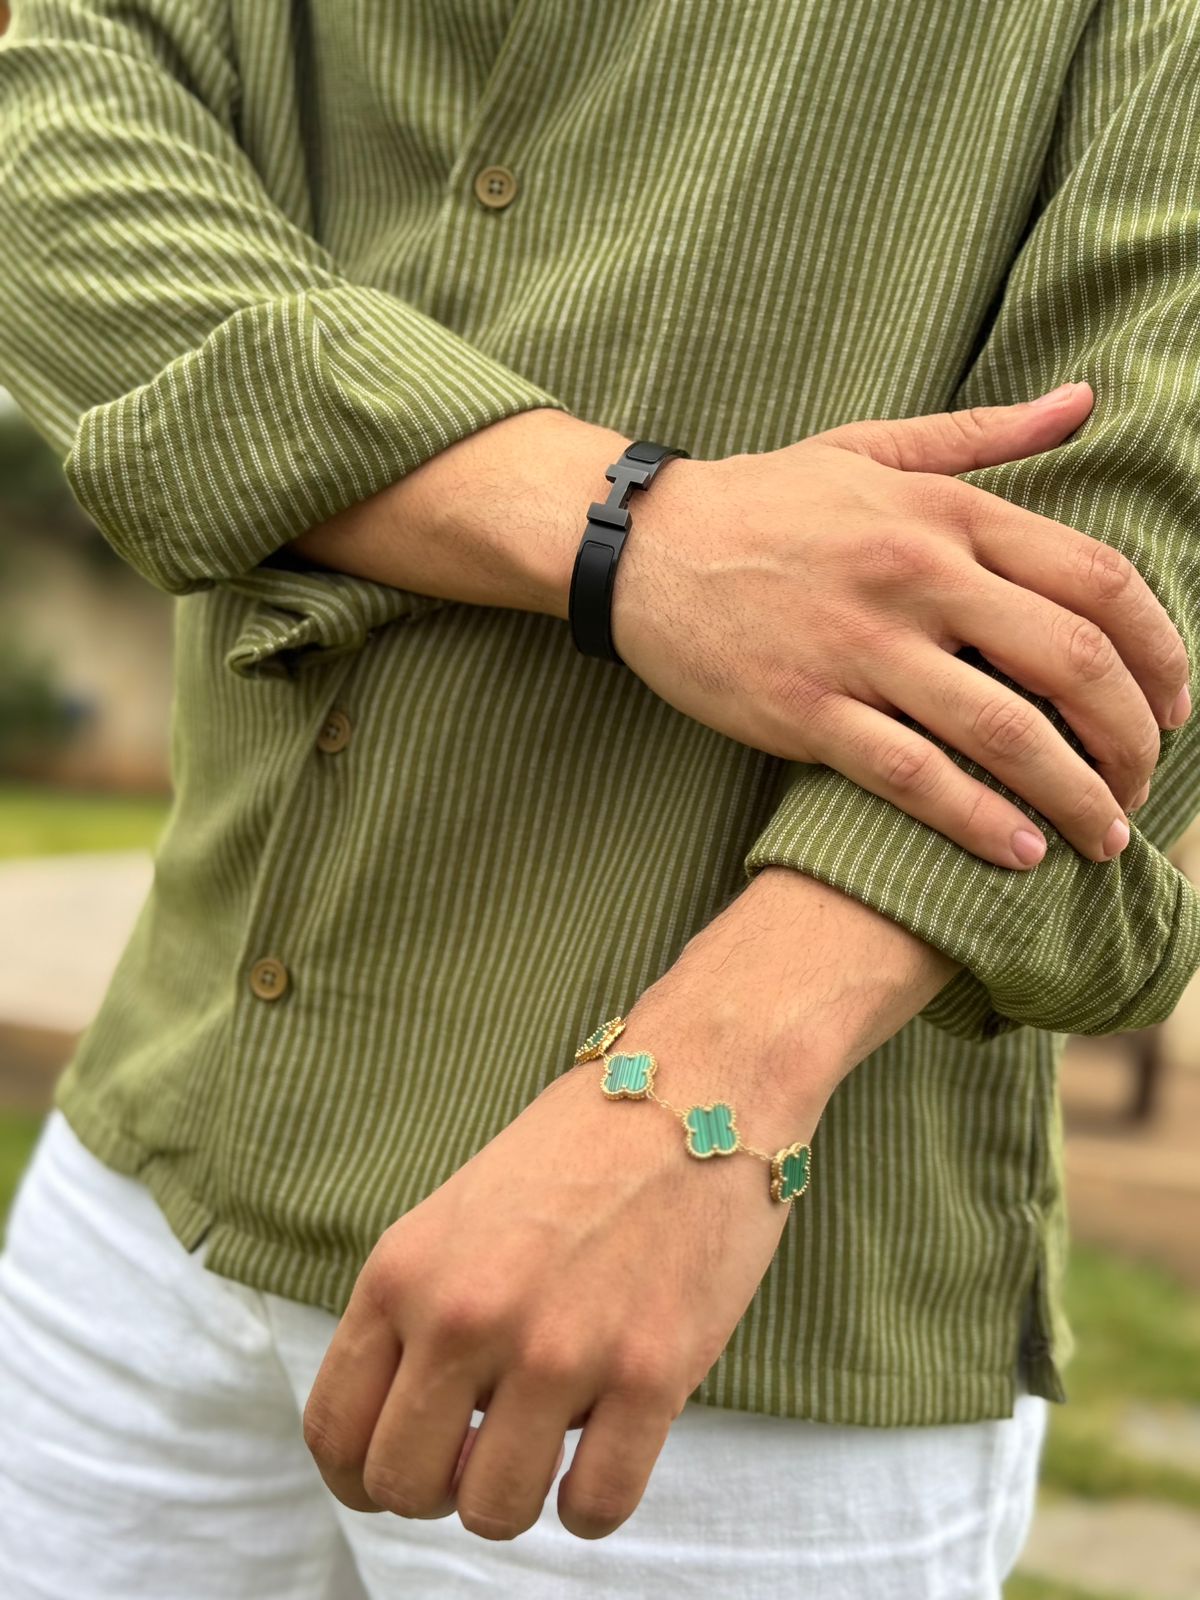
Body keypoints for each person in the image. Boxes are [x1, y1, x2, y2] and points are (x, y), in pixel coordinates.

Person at [0, 1, 1198, 1596]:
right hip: (153, 1176)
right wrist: (632, 533)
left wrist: (713, 1092)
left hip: (710, 1321)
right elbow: (58, 130)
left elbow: (1136, 542)